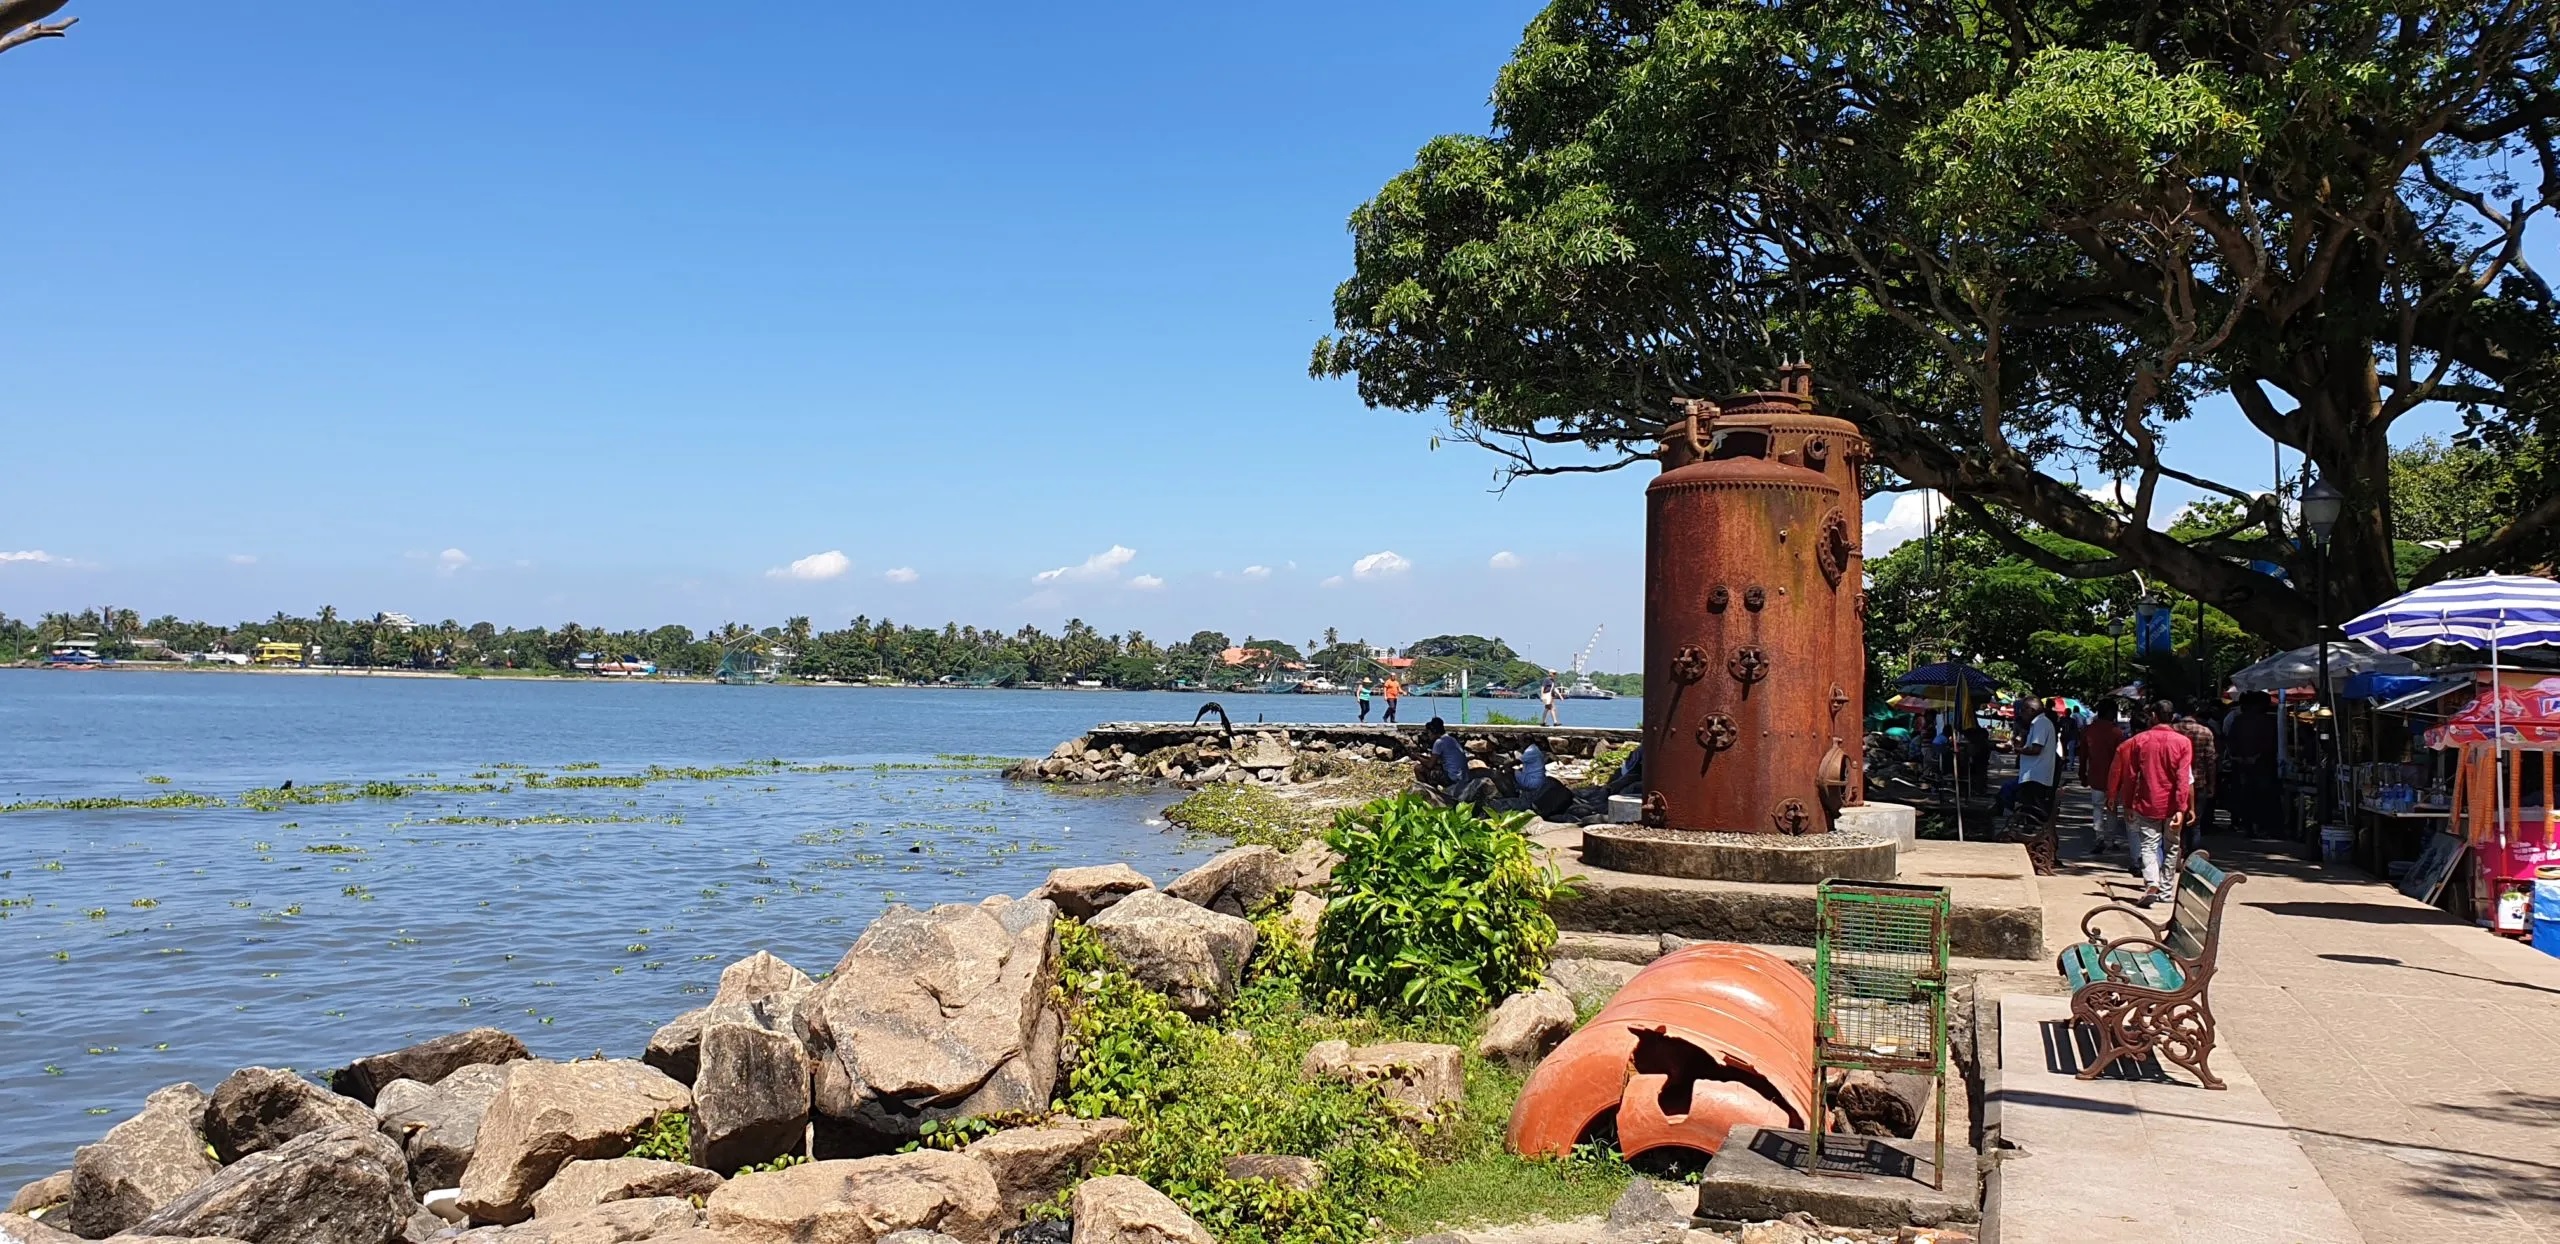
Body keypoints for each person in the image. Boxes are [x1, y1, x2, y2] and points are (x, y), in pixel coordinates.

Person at [2107, 700, 2196, 903]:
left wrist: (2128, 803)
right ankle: (2165, 891)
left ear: (2154, 716)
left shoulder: (2140, 740)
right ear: (2172, 717)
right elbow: (2183, 778)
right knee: (2172, 846)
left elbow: (2131, 775)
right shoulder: (2183, 743)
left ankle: (2151, 882)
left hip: (2147, 802)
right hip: (2173, 804)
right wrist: (2183, 807)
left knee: (2148, 845)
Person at [2225, 691, 2280, 836]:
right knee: (2261, 797)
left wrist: (2238, 757)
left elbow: (2231, 741)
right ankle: (2258, 826)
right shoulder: (2267, 721)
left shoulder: (2239, 720)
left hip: (2245, 764)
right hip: (2261, 766)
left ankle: (2248, 825)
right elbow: (2271, 743)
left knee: (2246, 796)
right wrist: (2255, 757)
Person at [2079, 697, 2126, 857]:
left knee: (2097, 807)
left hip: (2095, 776)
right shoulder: (2117, 733)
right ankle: (2110, 840)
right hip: (2113, 778)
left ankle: (2099, 836)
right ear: (2111, 712)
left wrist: (2082, 774)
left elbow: (2083, 755)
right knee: (2112, 808)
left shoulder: (2089, 730)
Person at [2172, 706, 2219, 851]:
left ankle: (2177, 852)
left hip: (2176, 782)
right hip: (2199, 782)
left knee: (2175, 821)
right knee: (2195, 823)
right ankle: (2192, 857)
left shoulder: (2173, 730)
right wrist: (2212, 783)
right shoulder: (2205, 732)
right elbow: (2210, 761)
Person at [2013, 695, 2060, 831]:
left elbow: (2036, 749)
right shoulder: (2037, 724)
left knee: (2034, 809)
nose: (2021, 714)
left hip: (2036, 775)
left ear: (2031, 710)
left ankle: (2033, 832)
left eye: (2023, 711)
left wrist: (2017, 750)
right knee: (2029, 806)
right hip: (2033, 774)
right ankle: (2031, 829)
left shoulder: (2041, 723)